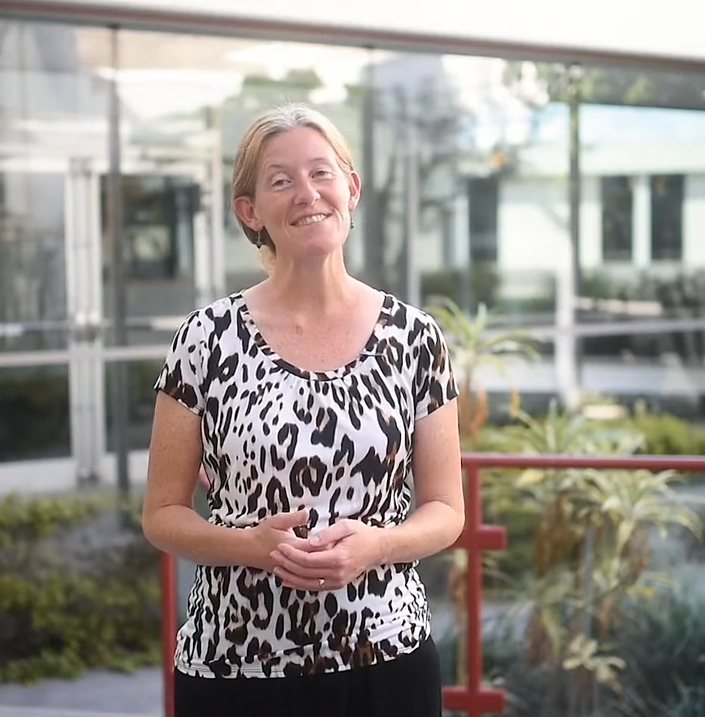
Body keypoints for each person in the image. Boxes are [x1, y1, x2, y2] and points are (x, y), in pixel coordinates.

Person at [141, 102, 465, 717]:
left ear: (352, 188)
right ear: (250, 211)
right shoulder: (206, 337)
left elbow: (447, 510)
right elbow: (161, 514)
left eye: (321, 173)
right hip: (235, 663)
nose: (307, 193)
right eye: (281, 180)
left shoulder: (416, 338)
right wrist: (251, 547)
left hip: (387, 660)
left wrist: (377, 546)